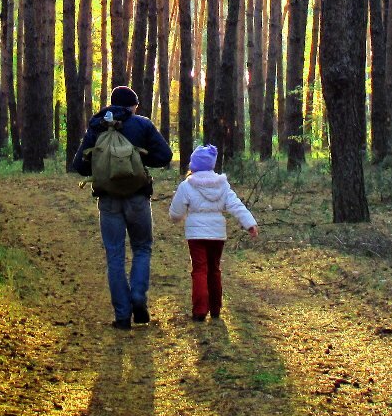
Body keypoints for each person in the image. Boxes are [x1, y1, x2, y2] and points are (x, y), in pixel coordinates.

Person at [72, 85, 173, 330]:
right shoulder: (142, 125)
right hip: (138, 197)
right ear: (132, 106)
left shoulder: (97, 126)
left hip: (107, 200)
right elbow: (165, 155)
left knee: (114, 255)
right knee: (142, 248)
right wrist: (137, 159)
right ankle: (138, 296)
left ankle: (121, 316)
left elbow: (80, 166)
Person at [168, 143, 258, 321]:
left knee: (199, 269)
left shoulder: (187, 185)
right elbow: (236, 205)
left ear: (193, 165)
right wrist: (250, 224)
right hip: (217, 234)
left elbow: (176, 213)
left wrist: (175, 218)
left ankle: (200, 310)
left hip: (196, 235)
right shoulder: (222, 185)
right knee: (214, 269)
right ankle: (216, 308)